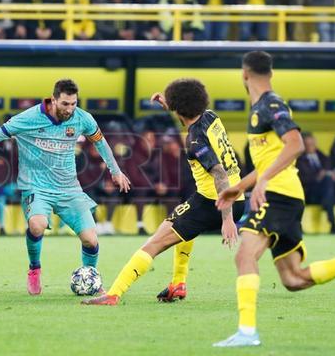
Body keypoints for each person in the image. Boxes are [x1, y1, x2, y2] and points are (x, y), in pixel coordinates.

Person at [213, 51, 335, 348]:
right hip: (284, 194)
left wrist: (265, 182)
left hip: (278, 194)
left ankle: (247, 332)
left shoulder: (270, 103)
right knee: (294, 279)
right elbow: (270, 160)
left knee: (244, 255)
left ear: (244, 75)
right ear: (269, 73)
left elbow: (295, 143)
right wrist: (241, 187)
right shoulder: (261, 107)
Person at [82, 78, 245, 306]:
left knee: (154, 243)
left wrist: (227, 220)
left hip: (214, 202)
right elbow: (190, 109)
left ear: (180, 109)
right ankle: (178, 284)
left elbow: (219, 174)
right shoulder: (211, 116)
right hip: (234, 197)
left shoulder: (195, 141)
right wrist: (169, 103)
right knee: (183, 227)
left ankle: (113, 294)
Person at [0, 79, 130, 295]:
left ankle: (90, 277)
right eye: (65, 104)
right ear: (53, 100)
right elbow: (0, 133)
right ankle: (34, 269)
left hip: (69, 189)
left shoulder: (83, 118)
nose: (70, 109)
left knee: (90, 240)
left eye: (73, 104)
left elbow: (100, 142)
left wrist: (115, 170)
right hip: (36, 187)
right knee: (37, 225)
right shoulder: (29, 117)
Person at [296, 132, 335, 233]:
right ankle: (333, 223)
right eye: (307, 145)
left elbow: (330, 170)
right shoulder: (298, 159)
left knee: (328, 182)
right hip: (308, 192)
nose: (310, 147)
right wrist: (318, 177)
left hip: (324, 190)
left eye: (312, 144)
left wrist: (331, 174)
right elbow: (301, 178)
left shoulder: (323, 157)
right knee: (328, 185)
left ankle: (327, 203)